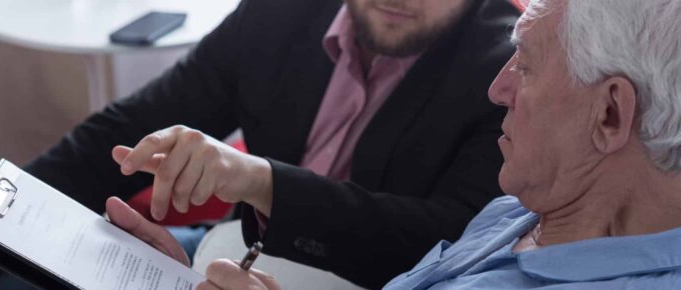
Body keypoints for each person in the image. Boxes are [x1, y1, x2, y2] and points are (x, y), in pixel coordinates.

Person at [0, 0, 519, 289]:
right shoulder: (282, 14)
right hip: (228, 251)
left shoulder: (508, 69)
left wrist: (262, 181)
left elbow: (449, 239)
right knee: (12, 277)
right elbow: (124, 134)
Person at [113, 0, 681, 288]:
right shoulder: (520, 209)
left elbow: (408, 238)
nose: (499, 88)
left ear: (609, 114)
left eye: (527, 67)